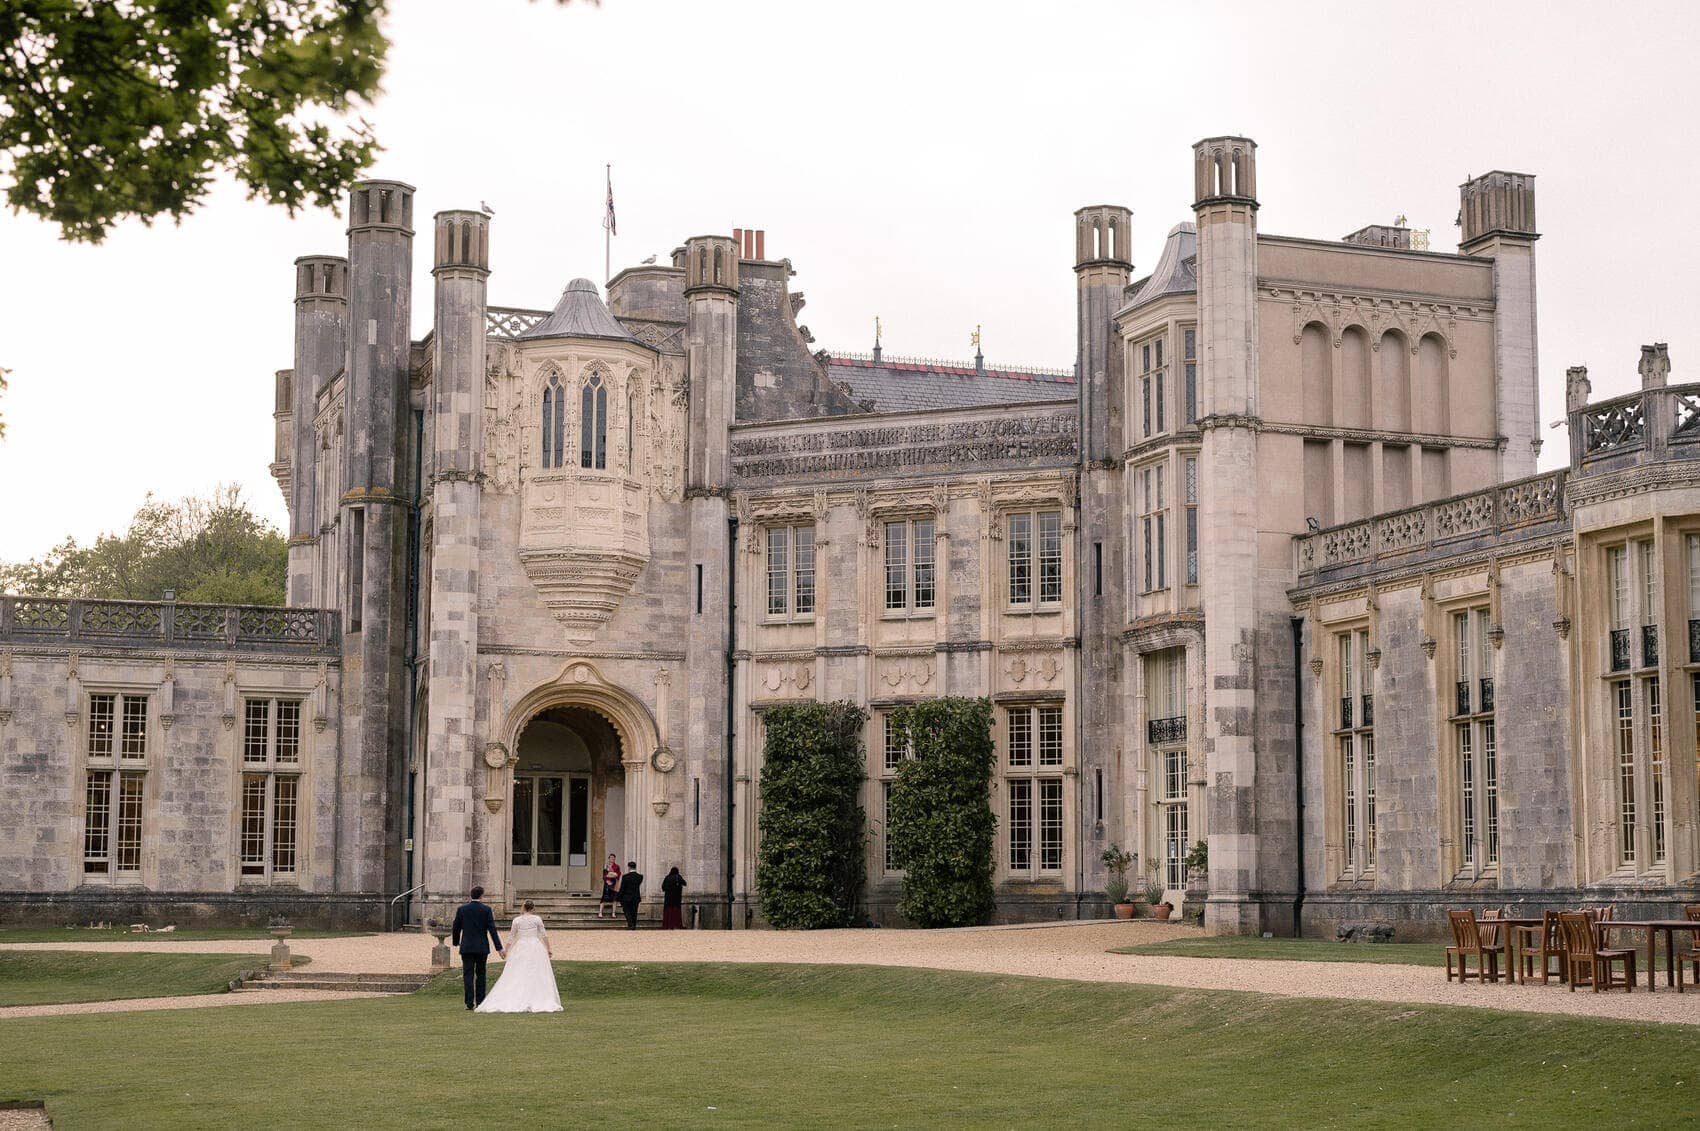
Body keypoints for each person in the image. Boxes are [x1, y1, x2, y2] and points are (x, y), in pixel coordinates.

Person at [475, 900, 562, 1014]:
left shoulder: (517, 920)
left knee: (519, 970)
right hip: (535, 946)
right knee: (536, 971)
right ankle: (537, 996)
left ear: (523, 908)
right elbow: (544, 934)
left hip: (521, 946)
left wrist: (506, 950)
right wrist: (548, 948)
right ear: (533, 908)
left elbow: (511, 936)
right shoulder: (537, 919)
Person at [451, 884, 504, 1011]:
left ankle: (469, 1002)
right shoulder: (486, 910)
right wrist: (499, 948)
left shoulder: (462, 909)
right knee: (481, 974)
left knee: (468, 974)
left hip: (467, 946)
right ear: (481, 896)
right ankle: (480, 1001)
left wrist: (455, 941)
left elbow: (456, 927)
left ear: (471, 895)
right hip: (481, 947)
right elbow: (492, 930)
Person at [617, 860, 644, 930]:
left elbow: (622, 888)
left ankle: (630, 924)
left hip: (626, 897)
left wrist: (619, 897)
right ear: (635, 867)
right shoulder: (640, 877)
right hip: (636, 897)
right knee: (634, 912)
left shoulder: (625, 877)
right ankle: (633, 925)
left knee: (627, 911)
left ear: (629, 867)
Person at [598, 854, 621, 919]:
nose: (612, 859)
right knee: (604, 898)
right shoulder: (606, 866)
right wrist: (609, 877)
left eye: (613, 857)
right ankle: (600, 912)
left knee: (615, 898)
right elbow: (605, 875)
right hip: (607, 884)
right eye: (611, 857)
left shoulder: (617, 866)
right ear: (609, 858)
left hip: (614, 884)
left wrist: (611, 874)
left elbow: (618, 875)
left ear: (615, 859)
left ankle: (613, 913)